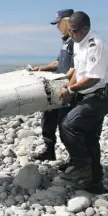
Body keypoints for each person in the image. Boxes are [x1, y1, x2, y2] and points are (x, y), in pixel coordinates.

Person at [57, 11, 108, 193]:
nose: (71, 35)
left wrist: (70, 90)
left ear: (86, 28)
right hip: (89, 93)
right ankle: (94, 182)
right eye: (69, 31)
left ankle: (81, 167)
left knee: (70, 125)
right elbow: (78, 70)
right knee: (89, 136)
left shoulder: (96, 45)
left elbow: (93, 78)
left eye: (74, 31)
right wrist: (69, 88)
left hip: (103, 95)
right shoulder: (78, 42)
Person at [30, 9, 75, 167]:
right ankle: (49, 150)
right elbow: (58, 63)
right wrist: (41, 68)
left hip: (67, 88)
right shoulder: (65, 41)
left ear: (67, 22)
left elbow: (75, 68)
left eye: (58, 24)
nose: (57, 28)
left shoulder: (76, 42)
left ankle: (75, 159)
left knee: (65, 124)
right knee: (47, 119)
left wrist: (67, 87)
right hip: (57, 85)